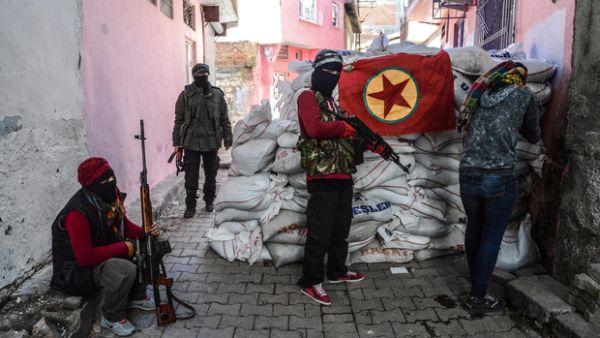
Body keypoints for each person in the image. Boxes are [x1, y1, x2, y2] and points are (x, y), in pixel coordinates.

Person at [296, 50, 388, 305]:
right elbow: (314, 128)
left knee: (340, 229)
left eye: (338, 72)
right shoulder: (307, 97)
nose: (334, 77)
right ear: (317, 73)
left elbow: (346, 135)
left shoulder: (333, 103)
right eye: (329, 72)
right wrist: (344, 128)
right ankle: (311, 281)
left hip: (343, 175)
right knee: (319, 233)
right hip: (322, 177)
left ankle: (336, 271)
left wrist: (367, 142)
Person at [457, 61, 541, 314]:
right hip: (498, 174)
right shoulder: (524, 94)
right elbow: (533, 134)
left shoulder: (478, 94)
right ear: (519, 79)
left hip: (468, 172)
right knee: (492, 236)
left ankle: (477, 281)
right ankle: (478, 297)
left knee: (475, 227)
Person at [50, 157, 160, 336]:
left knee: (145, 246)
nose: (111, 183)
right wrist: (123, 248)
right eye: (104, 180)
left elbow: (124, 224)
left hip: (99, 250)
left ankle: (135, 297)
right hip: (74, 271)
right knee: (124, 269)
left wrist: (146, 232)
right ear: (91, 184)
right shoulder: (77, 212)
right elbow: (85, 257)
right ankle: (112, 317)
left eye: (112, 178)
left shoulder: (110, 196)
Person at [172, 63, 232, 218]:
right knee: (191, 177)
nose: (202, 79)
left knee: (211, 175)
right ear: (194, 77)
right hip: (191, 142)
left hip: (211, 142)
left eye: (204, 76)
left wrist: (228, 139)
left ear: (208, 75)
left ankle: (209, 201)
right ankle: (190, 206)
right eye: (199, 76)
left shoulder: (217, 95)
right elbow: (178, 121)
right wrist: (177, 144)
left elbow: (225, 118)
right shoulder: (185, 95)